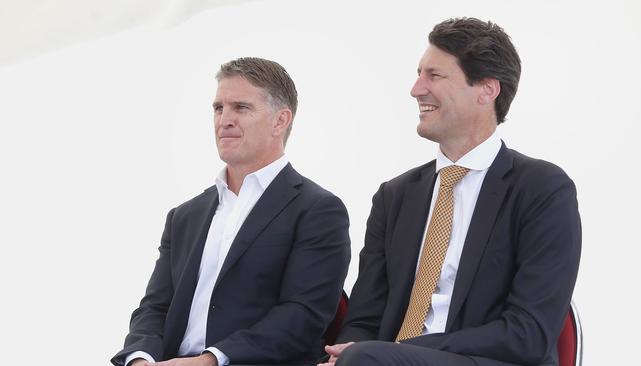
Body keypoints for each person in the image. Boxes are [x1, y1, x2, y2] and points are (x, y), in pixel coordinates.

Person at [321, 17, 581, 366]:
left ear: (486, 90)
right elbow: (365, 319)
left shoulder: (542, 189)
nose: (416, 89)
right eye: (418, 73)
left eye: (435, 75)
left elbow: (528, 333)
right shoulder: (394, 196)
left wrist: (402, 352)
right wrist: (344, 353)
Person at [112, 57, 351, 366]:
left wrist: (211, 360)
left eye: (240, 108)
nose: (224, 119)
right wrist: (140, 359)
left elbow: (303, 315)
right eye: (218, 108)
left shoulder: (318, 210)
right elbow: (155, 308)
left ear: (281, 121)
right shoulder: (185, 216)